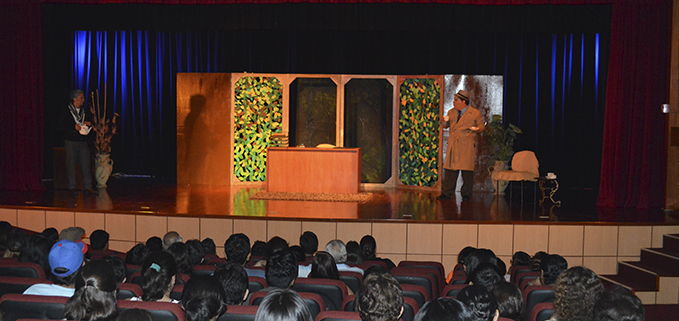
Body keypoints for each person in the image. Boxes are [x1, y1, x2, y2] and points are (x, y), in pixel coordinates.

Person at [437, 89, 485, 201]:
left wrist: (477, 129)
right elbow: (446, 125)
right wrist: (443, 122)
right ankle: (446, 193)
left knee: (467, 171)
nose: (453, 102)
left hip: (466, 145)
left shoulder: (474, 113)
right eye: (454, 100)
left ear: (463, 101)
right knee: (450, 170)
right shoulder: (451, 112)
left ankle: (466, 194)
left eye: (456, 100)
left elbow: (481, 126)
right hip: (454, 144)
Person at [58, 89, 98, 195]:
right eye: (81, 98)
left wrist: (89, 123)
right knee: (71, 164)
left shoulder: (84, 111)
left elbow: (91, 122)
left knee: (86, 163)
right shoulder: (67, 111)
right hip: (71, 141)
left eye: (83, 98)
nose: (83, 100)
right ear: (74, 99)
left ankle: (88, 186)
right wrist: (73, 127)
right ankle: (72, 187)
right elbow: (60, 127)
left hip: (82, 140)